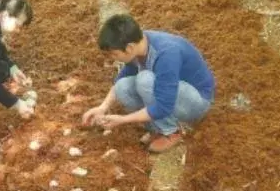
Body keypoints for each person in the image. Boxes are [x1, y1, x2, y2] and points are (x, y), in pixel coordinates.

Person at [82, 14, 215, 153]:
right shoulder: (140, 44)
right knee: (122, 87)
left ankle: (171, 132)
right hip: (173, 94)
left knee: (145, 80)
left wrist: (122, 120)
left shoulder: (167, 54)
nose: (113, 59)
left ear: (129, 48)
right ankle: (156, 129)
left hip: (197, 102)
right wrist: (102, 107)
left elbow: (163, 106)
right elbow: (121, 80)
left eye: (114, 54)